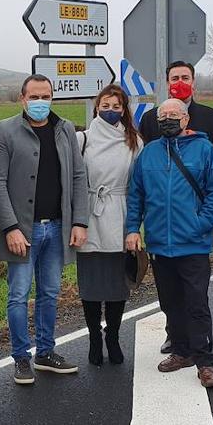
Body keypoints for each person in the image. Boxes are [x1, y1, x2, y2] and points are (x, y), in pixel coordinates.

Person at [0, 74, 89, 385]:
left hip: (57, 228)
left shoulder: (65, 129)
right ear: (22, 99)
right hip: (23, 232)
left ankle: (45, 353)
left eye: (45, 96)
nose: (40, 102)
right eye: (34, 96)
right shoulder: (5, 131)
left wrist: (79, 221)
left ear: (52, 98)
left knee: (50, 293)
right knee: (18, 295)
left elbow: (77, 176)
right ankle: (21, 357)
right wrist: (11, 227)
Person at [125, 98, 213, 387]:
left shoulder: (204, 149)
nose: (168, 118)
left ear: (186, 119)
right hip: (160, 243)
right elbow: (136, 196)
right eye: (163, 115)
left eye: (174, 114)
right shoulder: (148, 154)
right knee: (170, 302)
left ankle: (205, 362)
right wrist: (133, 229)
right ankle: (181, 351)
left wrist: (200, 224)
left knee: (196, 303)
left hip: (193, 243)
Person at [76, 84, 142, 366]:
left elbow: (138, 187)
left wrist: (134, 228)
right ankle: (93, 338)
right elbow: (75, 183)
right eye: (106, 105)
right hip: (89, 214)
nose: (111, 111)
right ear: (96, 107)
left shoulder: (135, 142)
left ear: (124, 109)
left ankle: (112, 336)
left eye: (117, 106)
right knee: (91, 284)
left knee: (117, 284)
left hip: (121, 212)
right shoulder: (83, 139)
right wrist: (76, 222)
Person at [138, 60, 213, 180]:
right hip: (160, 194)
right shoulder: (150, 119)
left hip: (198, 195)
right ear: (168, 84)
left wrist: (206, 192)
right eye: (175, 79)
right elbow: (142, 163)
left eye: (185, 78)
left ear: (193, 82)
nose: (180, 82)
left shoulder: (211, 117)